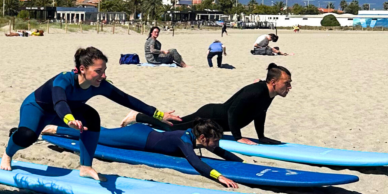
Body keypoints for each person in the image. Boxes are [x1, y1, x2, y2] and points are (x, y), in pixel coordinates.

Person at [2, 46, 179, 179]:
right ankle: (8, 154)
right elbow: (59, 101)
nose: (103, 76)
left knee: (92, 117)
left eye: (104, 71)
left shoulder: (99, 84)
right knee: (27, 136)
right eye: (98, 71)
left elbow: (127, 99)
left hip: (68, 111)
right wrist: (69, 118)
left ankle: (86, 167)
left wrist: (159, 114)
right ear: (82, 69)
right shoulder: (63, 79)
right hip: (38, 108)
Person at [123, 62, 292, 144]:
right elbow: (232, 112)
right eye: (287, 83)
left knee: (178, 122)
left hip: (215, 118)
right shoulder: (256, 90)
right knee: (173, 128)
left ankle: (140, 117)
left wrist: (261, 137)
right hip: (210, 116)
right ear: (274, 82)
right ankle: (137, 116)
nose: (289, 87)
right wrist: (238, 138)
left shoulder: (269, 94)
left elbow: (260, 113)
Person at [96, 118, 242, 190]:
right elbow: (195, 161)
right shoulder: (184, 140)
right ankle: (73, 126)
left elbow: (219, 151)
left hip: (143, 132)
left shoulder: (196, 135)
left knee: (101, 132)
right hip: (135, 137)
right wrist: (219, 176)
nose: (216, 144)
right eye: (215, 141)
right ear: (203, 138)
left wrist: (240, 162)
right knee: (96, 135)